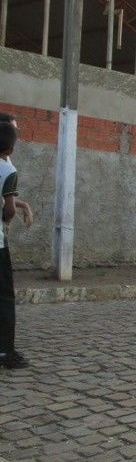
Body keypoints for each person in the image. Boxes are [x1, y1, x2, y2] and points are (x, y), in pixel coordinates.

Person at [0, 120, 28, 369]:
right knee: (4, 297)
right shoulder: (8, 170)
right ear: (10, 149)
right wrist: (7, 216)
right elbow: (9, 210)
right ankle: (5, 351)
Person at [0, 113, 33, 230]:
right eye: (13, 129)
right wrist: (6, 219)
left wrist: (24, 205)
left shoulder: (6, 160)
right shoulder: (8, 168)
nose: (16, 135)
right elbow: (9, 207)